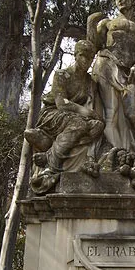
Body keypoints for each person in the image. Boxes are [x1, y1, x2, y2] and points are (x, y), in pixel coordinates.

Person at [24, 40, 105, 192]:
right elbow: (62, 104)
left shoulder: (90, 82)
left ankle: (70, 157)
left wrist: (94, 117)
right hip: (53, 114)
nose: (86, 61)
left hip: (76, 117)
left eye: (90, 58)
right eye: (83, 56)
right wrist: (88, 113)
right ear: (75, 55)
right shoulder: (62, 75)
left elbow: (91, 104)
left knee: (99, 126)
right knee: (79, 124)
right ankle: (51, 163)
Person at [92, 0, 135, 153]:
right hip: (107, 65)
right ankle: (117, 151)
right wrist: (92, 24)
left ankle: (133, 150)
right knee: (111, 111)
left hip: (130, 73)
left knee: (132, 115)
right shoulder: (107, 23)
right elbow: (94, 45)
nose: (120, 0)